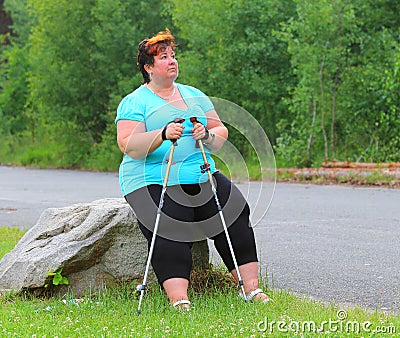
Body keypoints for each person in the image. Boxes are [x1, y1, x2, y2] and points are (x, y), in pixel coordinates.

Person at [115, 28, 270, 310]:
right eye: (164, 57)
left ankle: (251, 289)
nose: (172, 61)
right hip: (149, 180)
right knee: (170, 222)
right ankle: (179, 299)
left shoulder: (194, 95)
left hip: (199, 173)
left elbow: (219, 131)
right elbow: (128, 144)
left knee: (235, 209)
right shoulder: (136, 101)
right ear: (149, 67)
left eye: (173, 56)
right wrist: (161, 134)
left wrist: (207, 136)